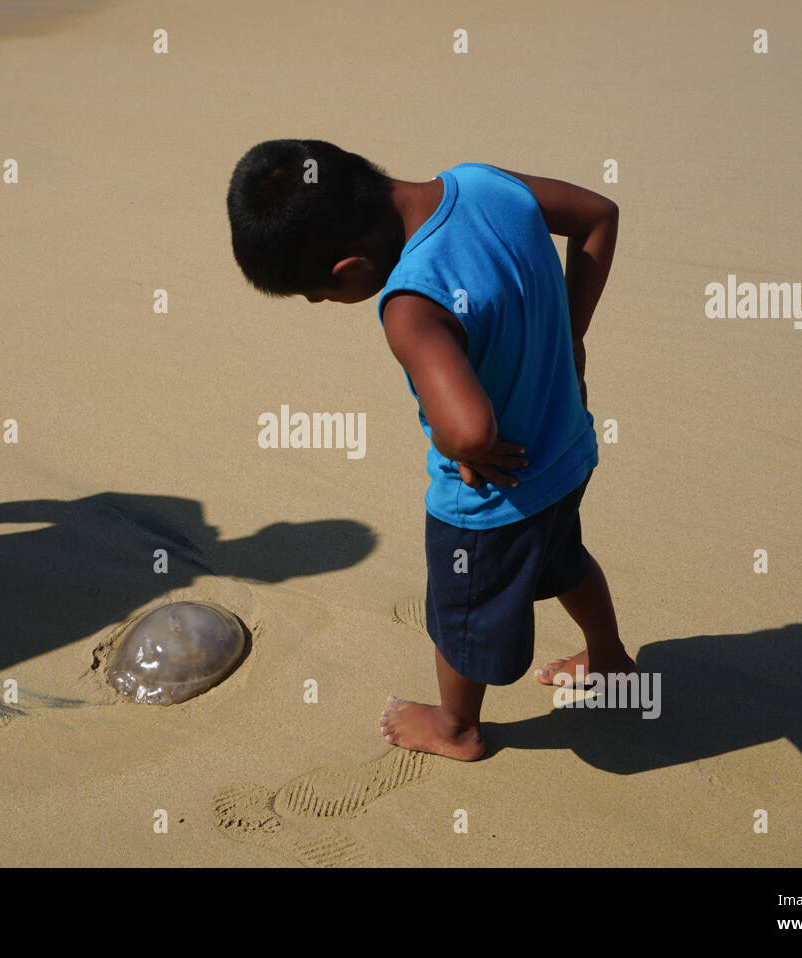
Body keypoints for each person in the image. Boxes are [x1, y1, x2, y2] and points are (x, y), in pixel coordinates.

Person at [226, 140, 636, 760]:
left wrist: (456, 438)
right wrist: (570, 338)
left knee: (460, 612)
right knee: (564, 556)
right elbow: (598, 215)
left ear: (349, 270)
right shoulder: (485, 185)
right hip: (566, 450)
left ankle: (456, 727)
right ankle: (608, 659)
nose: (320, 304)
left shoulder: (412, 304)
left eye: (316, 294)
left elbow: (470, 431)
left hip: (489, 504)